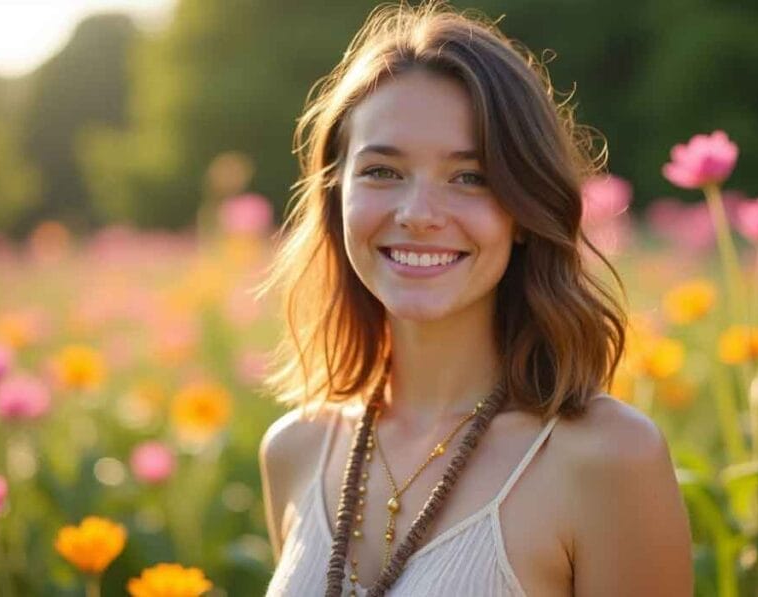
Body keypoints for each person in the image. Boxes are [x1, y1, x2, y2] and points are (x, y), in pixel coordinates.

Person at [256, 2, 693, 595]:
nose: (417, 216)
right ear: (335, 197)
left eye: (470, 177)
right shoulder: (294, 450)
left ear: (524, 209)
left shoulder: (607, 458)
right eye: (382, 171)